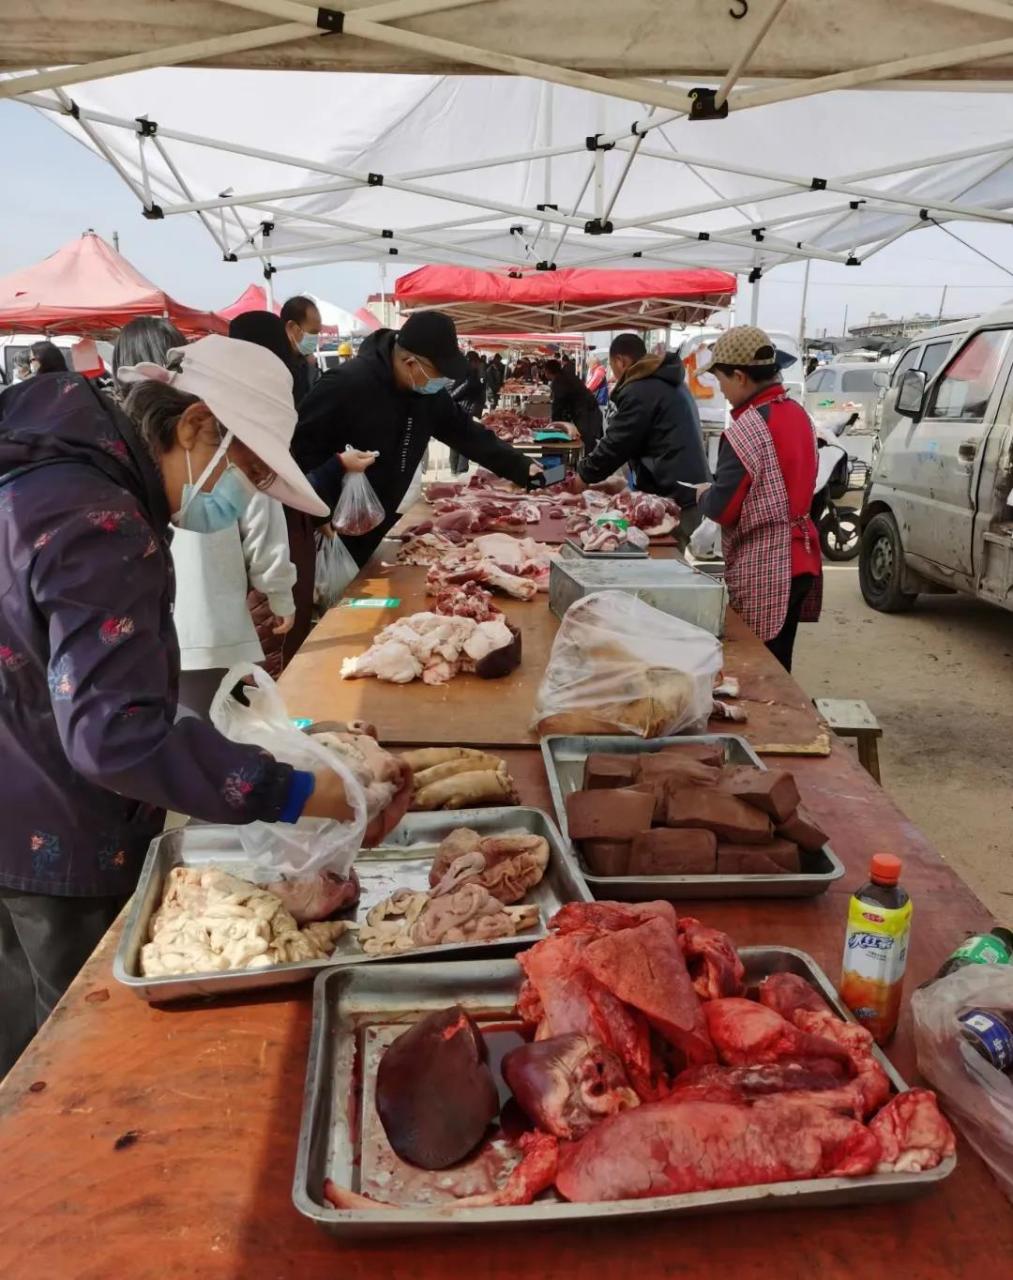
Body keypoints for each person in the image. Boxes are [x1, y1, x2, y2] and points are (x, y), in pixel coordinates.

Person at [0, 334, 409, 1075]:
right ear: (192, 427)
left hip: (18, 798)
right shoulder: (99, 518)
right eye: (246, 471)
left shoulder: (48, 474)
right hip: (52, 828)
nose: (242, 497)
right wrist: (296, 790)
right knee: (74, 1065)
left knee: (18, 1041)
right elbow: (115, 737)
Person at [293, 310, 543, 566]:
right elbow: (300, 448)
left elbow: (465, 433)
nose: (442, 381)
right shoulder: (346, 384)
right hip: (330, 526)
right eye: (439, 373)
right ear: (410, 362)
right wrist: (318, 510)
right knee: (329, 599)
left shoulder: (428, 394)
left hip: (380, 520)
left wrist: (522, 467)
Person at [697, 325, 822, 672]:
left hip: (768, 564)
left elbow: (724, 509)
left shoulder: (746, 429)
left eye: (720, 380)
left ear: (739, 377)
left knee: (758, 667)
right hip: (802, 558)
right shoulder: (798, 414)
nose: (720, 390)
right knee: (779, 665)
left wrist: (705, 494)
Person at [228, 310, 319, 674]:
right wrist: (280, 593)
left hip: (282, 532)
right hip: (271, 546)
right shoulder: (247, 414)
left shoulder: (241, 397)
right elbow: (260, 514)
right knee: (272, 644)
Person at [572, 333, 710, 540]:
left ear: (621, 361)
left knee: (669, 559)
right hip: (686, 488)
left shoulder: (641, 389)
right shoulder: (663, 381)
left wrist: (584, 476)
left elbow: (618, 443)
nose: (613, 374)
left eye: (612, 366)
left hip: (676, 494)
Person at [544, 358, 602, 450]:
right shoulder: (565, 376)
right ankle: (586, 458)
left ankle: (586, 461)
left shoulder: (559, 381)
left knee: (585, 441)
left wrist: (554, 424)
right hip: (589, 409)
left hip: (586, 412)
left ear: (547, 371)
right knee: (586, 440)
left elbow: (558, 405)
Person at [449, 350, 487, 474]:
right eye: (476, 362)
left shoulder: (472, 374)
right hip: (464, 411)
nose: (478, 365)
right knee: (463, 442)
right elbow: (455, 393)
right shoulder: (468, 375)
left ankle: (456, 469)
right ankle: (460, 469)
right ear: (472, 362)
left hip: (467, 411)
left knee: (457, 441)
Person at [280, 295, 322, 404]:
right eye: (312, 332)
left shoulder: (305, 363)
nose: (315, 338)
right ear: (292, 328)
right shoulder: (279, 370)